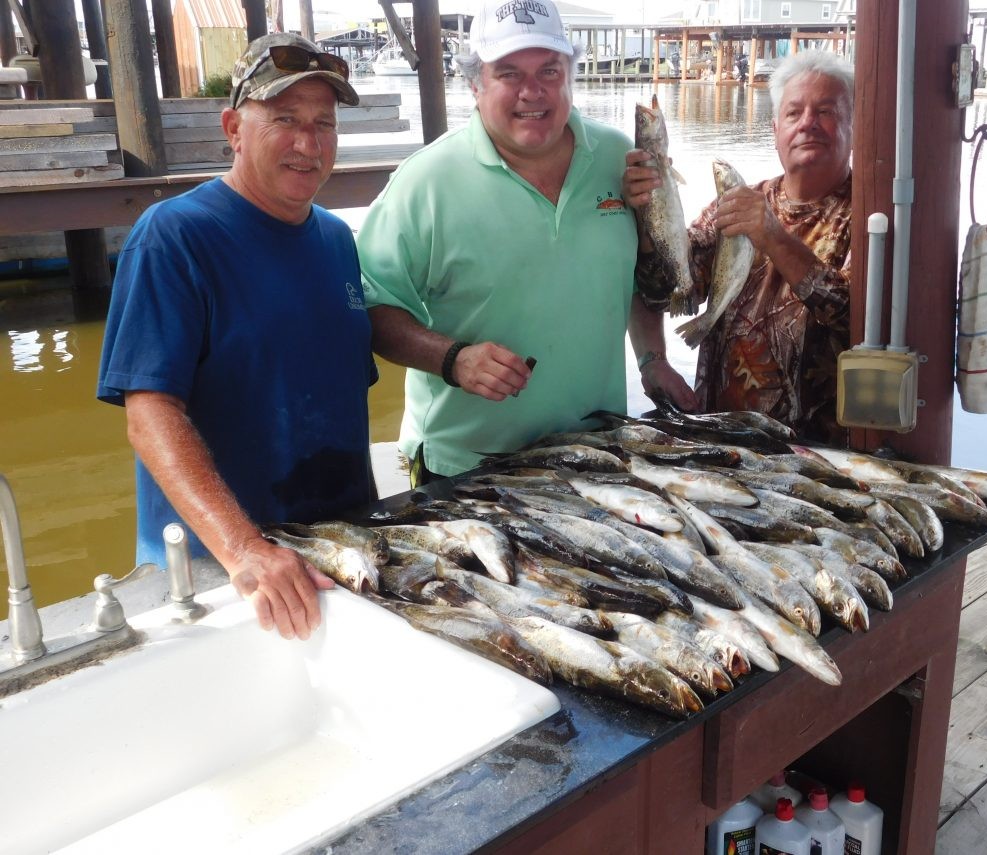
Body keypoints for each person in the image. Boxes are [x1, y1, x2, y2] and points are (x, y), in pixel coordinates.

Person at [96, 33, 377, 640]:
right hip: (223, 570)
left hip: (339, 550)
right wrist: (243, 548)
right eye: (284, 119)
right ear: (232, 127)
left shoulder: (336, 239)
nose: (308, 143)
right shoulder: (172, 237)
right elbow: (148, 414)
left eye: (323, 124)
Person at [357, 0, 664, 484]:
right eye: (508, 73)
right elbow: (371, 307)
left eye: (549, 70)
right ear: (475, 83)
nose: (532, 91)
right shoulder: (425, 182)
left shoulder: (618, 158)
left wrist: (654, 359)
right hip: (466, 465)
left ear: (570, 75)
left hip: (596, 452)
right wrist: (453, 359)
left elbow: (641, 272)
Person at [625, 50, 855, 444]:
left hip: (818, 453)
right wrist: (649, 219)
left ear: (855, 125)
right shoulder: (736, 202)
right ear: (775, 130)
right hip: (722, 442)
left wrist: (773, 235)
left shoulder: (869, 218)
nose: (808, 124)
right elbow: (665, 290)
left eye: (826, 112)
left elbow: (855, 317)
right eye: (793, 113)